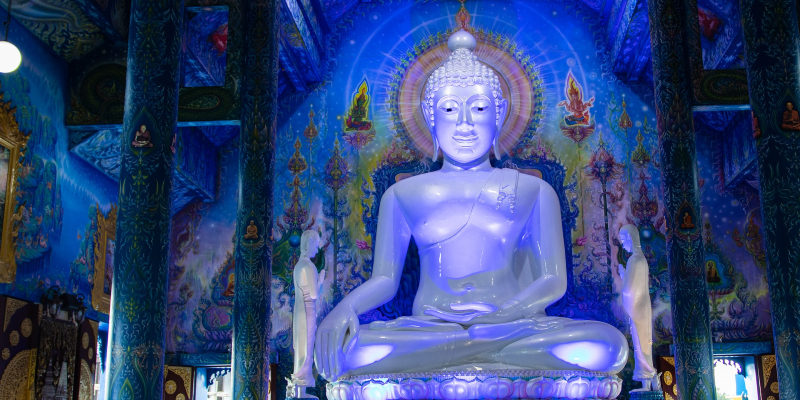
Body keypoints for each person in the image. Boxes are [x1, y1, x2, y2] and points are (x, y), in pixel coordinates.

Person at [314, 29, 627, 382]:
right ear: (430, 116)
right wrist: (344, 309)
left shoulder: (534, 191)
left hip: (513, 324)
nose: (464, 124)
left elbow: (553, 280)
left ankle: (471, 346)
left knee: (608, 344)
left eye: (479, 108)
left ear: (501, 113)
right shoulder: (402, 195)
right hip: (430, 327)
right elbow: (385, 280)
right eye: (449, 109)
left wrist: (504, 316)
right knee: (347, 350)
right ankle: (479, 348)